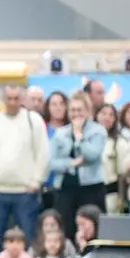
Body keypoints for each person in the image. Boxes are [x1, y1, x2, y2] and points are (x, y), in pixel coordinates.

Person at [0, 85, 50, 258]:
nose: (13, 102)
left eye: (17, 98)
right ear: (3, 99)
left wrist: (36, 181)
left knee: (29, 238)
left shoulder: (34, 121)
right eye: (9, 98)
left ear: (23, 99)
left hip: (25, 191)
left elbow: (43, 154)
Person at [49, 94, 107, 232]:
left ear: (88, 111)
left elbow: (92, 155)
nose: (76, 114)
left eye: (80, 110)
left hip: (91, 188)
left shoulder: (98, 131)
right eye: (73, 110)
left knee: (93, 229)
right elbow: (52, 163)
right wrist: (71, 164)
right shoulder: (60, 133)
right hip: (65, 189)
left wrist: (79, 137)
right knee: (66, 228)